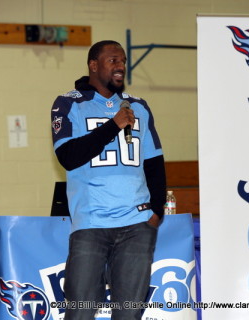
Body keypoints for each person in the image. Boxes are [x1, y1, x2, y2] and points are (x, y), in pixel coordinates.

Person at [51, 40, 166, 319]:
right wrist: (113, 125)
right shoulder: (69, 104)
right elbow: (68, 156)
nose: (121, 67)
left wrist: (157, 211)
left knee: (129, 313)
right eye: (113, 61)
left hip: (137, 225)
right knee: (81, 311)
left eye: (123, 61)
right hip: (92, 223)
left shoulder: (138, 106)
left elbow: (154, 162)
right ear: (93, 65)